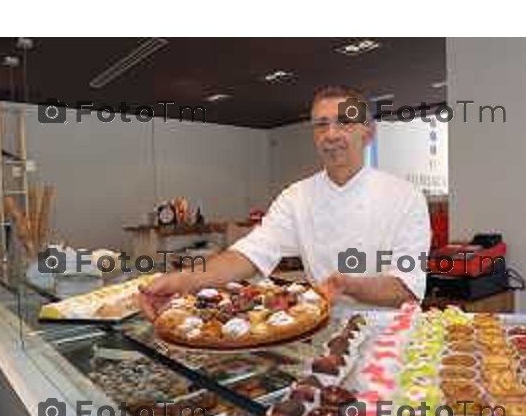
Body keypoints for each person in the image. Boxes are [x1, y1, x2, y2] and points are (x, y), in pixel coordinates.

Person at [140, 86, 430, 319]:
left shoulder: (405, 197)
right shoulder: (297, 196)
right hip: (323, 325)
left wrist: (350, 285)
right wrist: (181, 280)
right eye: (321, 125)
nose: (331, 134)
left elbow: (407, 288)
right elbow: (247, 255)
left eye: (344, 122)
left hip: (390, 334)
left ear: (368, 133)